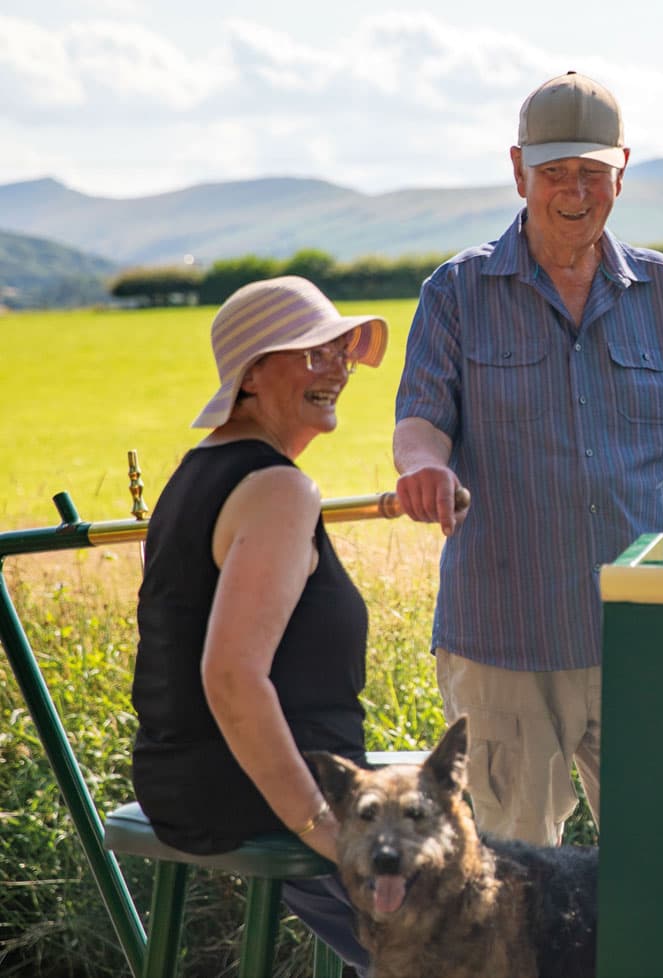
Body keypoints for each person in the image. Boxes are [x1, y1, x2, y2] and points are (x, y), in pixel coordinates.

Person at [393, 71, 663, 848]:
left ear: (622, 173)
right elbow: (420, 422)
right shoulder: (456, 293)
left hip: (638, 643)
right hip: (502, 645)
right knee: (511, 880)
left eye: (592, 173)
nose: (575, 192)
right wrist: (422, 467)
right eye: (556, 173)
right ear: (518, 170)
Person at [130, 275, 389, 973]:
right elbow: (231, 676)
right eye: (312, 353)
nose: (337, 367)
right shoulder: (280, 489)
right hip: (257, 788)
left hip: (187, 779)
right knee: (496, 922)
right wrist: (323, 827)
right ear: (250, 378)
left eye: (340, 351)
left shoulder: (195, 472)